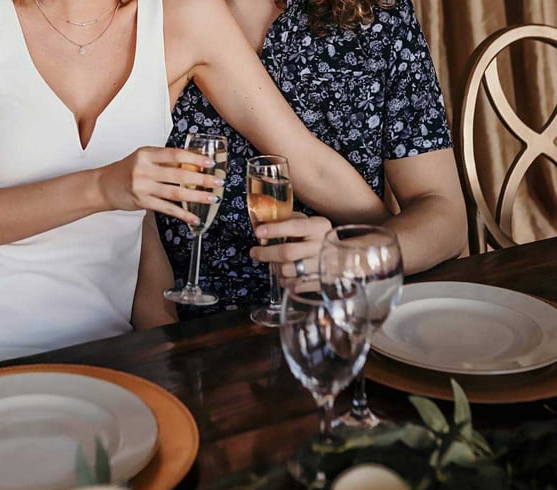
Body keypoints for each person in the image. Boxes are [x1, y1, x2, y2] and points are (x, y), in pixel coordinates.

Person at [0, 0, 390, 388]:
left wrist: (390, 245)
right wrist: (103, 186)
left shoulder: (185, 16)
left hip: (101, 351)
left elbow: (308, 163)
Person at [158, 0, 467, 317]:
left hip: (344, 311)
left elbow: (445, 219)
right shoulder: (153, 20)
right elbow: (136, 215)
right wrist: (158, 334)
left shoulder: (382, 15)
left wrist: (348, 257)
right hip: (194, 321)